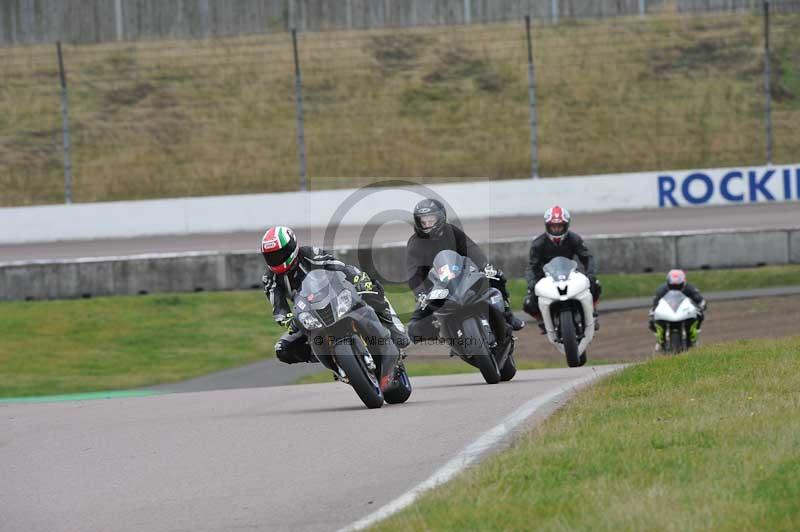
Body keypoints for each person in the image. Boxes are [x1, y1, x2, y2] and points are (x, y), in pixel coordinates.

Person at [261, 226, 409, 364]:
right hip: (308, 314)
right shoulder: (270, 278)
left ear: (291, 247)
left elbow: (340, 266)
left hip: (336, 297)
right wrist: (289, 320)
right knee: (282, 349)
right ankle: (331, 358)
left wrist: (358, 280)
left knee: (370, 290)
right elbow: (278, 308)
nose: (276, 259)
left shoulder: (308, 254)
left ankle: (394, 329)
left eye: (279, 254)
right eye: (271, 256)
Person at [405, 198, 525, 343]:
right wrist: (420, 293)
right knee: (413, 328)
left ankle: (507, 315)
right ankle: (442, 333)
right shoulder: (414, 243)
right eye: (423, 222)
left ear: (441, 218)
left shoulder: (452, 232)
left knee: (497, 277)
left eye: (430, 220)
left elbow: (471, 249)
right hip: (436, 288)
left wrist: (484, 267)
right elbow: (413, 274)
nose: (427, 225)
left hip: (461, 277)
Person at [523, 205, 601, 334]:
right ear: (547, 226)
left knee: (595, 285)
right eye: (553, 226)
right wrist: (532, 283)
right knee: (529, 302)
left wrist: (590, 273)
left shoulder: (574, 238)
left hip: (570, 274)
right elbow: (532, 266)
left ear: (566, 226)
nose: (557, 229)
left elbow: (587, 257)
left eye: (560, 226)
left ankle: (592, 313)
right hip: (546, 278)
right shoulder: (538, 243)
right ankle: (543, 320)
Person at [648, 269, 706, 339]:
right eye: (673, 286)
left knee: (700, 315)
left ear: (683, 282)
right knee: (652, 320)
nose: (675, 288)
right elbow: (655, 301)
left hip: (685, 312)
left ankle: (695, 333)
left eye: (678, 286)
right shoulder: (662, 289)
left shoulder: (689, 288)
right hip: (667, 312)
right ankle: (659, 336)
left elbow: (699, 298)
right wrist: (654, 309)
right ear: (668, 283)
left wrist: (702, 304)